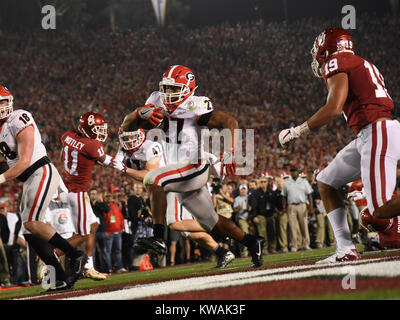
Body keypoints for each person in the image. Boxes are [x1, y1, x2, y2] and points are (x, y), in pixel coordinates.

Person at [278, 28, 400, 263]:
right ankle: (346, 249)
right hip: (373, 132)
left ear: (326, 47)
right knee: (325, 181)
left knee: (379, 210)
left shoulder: (336, 61)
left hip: (377, 132)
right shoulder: (360, 62)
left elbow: (334, 107)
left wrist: (297, 131)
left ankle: (389, 229)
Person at [0, 85, 87, 291]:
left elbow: (24, 162)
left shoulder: (18, 117)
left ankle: (75, 255)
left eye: (3, 101)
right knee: (29, 230)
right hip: (29, 178)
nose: (2, 106)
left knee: (31, 222)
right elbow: (9, 160)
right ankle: (59, 276)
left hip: (40, 171)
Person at [116, 126, 235, 268]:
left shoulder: (151, 147)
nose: (129, 141)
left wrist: (121, 167)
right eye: (125, 138)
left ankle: (220, 232)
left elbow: (147, 173)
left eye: (131, 137)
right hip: (166, 188)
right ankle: (222, 252)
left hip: (174, 184)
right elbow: (114, 162)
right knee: (188, 232)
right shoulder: (125, 150)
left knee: (176, 223)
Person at [60, 112, 126, 280]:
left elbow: (69, 154)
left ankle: (88, 266)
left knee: (94, 224)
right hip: (78, 192)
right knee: (82, 234)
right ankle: (50, 255)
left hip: (70, 186)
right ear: (87, 129)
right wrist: (124, 161)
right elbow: (106, 161)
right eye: (97, 129)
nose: (101, 133)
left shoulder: (68, 136)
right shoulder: (93, 146)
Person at [281, 167, 313, 252]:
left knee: (304, 226)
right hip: (291, 205)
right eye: (291, 171)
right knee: (292, 226)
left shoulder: (304, 182)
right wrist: (284, 207)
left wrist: (310, 207)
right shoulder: (287, 183)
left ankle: (306, 244)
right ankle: (294, 246)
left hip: (302, 205)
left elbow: (309, 195)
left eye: (294, 171)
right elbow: (284, 196)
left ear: (298, 172)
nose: (293, 173)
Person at [251, 174, 278, 254]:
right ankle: (265, 249)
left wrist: (275, 212)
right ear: (259, 183)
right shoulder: (256, 193)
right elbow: (254, 206)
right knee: (262, 232)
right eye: (261, 182)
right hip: (260, 215)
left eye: (264, 182)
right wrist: (254, 216)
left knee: (272, 231)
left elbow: (274, 204)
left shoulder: (271, 192)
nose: (263, 183)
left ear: (267, 183)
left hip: (270, 214)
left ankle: (273, 247)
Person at [103, 192, 127, 274]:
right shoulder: (103, 208)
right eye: (107, 197)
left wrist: (122, 227)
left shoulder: (116, 207)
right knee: (108, 252)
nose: (109, 198)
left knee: (117, 251)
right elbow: (102, 222)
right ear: (104, 198)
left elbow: (121, 217)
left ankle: (120, 267)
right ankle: (109, 269)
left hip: (117, 233)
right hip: (108, 233)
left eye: (110, 197)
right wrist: (105, 232)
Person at [88, 188, 110, 275]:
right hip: (92, 232)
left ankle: (107, 269)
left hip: (101, 231)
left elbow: (107, 209)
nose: (94, 195)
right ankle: (93, 270)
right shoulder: (87, 204)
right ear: (89, 196)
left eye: (95, 194)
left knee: (104, 251)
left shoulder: (99, 203)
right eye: (92, 194)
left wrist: (98, 202)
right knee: (92, 252)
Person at [233, 184, 251, 257]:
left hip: (250, 218)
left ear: (247, 190)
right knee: (245, 234)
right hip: (242, 218)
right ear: (239, 190)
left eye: (244, 189)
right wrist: (239, 209)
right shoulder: (237, 199)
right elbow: (234, 210)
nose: (243, 190)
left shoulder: (250, 197)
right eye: (242, 189)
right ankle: (244, 252)